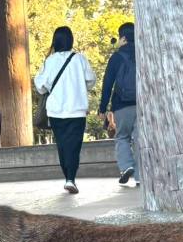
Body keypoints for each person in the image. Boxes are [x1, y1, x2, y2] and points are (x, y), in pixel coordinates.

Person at [34, 26, 95, 194]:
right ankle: (71, 179)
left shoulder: (49, 61)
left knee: (61, 145)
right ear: (70, 40)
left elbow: (40, 86)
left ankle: (67, 178)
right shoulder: (80, 59)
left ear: (55, 41)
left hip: (56, 111)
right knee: (74, 145)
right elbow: (91, 80)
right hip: (77, 110)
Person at [99, 22, 140, 187]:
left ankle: (126, 166)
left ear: (123, 38)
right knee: (139, 140)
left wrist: (103, 107)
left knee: (122, 137)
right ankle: (140, 177)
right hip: (143, 104)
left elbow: (107, 83)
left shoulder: (117, 57)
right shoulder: (144, 53)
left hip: (122, 104)